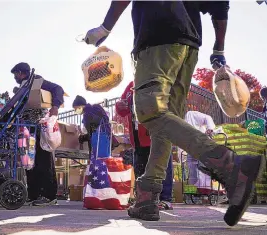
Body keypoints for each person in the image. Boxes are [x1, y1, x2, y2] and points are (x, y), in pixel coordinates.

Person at [84, 1, 265, 226]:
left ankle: (229, 165)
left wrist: (105, 28)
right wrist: (219, 48)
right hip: (188, 46)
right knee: (168, 121)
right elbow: (220, 4)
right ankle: (147, 197)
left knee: (150, 112)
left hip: (157, 35)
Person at [11, 62, 64, 206]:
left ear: (21, 73)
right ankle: (34, 194)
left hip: (39, 126)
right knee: (29, 162)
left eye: (16, 74)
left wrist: (55, 106)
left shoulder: (36, 81)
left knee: (43, 159)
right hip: (27, 129)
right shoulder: (22, 86)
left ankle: (49, 195)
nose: (15, 77)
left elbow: (57, 89)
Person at [115, 81, 173, 210]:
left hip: (156, 132)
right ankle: (143, 198)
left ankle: (165, 198)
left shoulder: (158, 81)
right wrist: (120, 105)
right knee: (140, 167)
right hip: (137, 135)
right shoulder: (130, 85)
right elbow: (122, 110)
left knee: (162, 165)